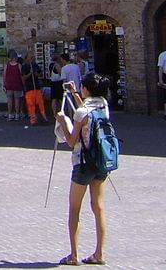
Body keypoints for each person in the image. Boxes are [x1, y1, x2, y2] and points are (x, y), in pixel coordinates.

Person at [55, 73, 112, 266]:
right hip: (100, 161)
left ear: (87, 89)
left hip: (83, 163)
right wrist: (74, 94)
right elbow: (86, 110)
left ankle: (74, 255)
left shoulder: (81, 113)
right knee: (98, 206)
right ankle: (100, 253)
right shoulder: (104, 105)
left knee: (74, 208)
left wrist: (62, 121)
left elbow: (72, 141)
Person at [21, 52, 49, 125]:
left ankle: (43, 117)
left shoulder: (35, 65)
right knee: (31, 104)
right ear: (26, 58)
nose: (32, 59)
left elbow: (40, 73)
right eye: (30, 57)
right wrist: (30, 73)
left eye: (32, 57)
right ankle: (33, 119)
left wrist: (36, 74)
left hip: (36, 87)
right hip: (29, 87)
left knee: (40, 102)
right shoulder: (24, 66)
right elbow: (23, 77)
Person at [4, 51, 25, 121]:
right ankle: (17, 114)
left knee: (9, 100)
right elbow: (21, 76)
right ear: (15, 57)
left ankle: (10, 114)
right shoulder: (19, 65)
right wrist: (23, 84)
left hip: (9, 85)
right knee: (17, 100)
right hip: (17, 84)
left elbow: (4, 75)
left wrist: (4, 84)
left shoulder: (7, 65)